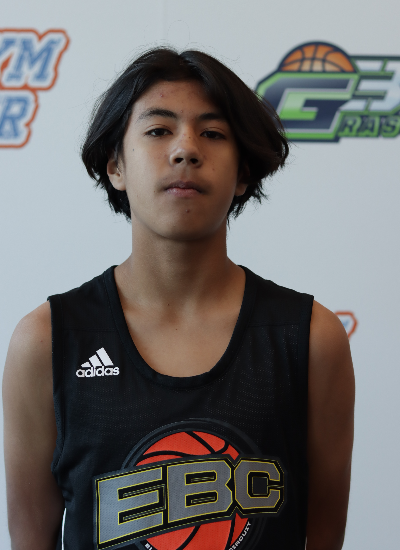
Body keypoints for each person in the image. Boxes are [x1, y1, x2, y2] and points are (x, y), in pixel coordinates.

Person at [3, 48, 355, 550]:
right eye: (158, 130)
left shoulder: (311, 338)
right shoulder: (46, 340)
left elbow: (323, 535)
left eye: (212, 133)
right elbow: (30, 539)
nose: (186, 149)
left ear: (242, 174)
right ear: (116, 166)